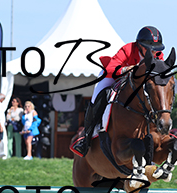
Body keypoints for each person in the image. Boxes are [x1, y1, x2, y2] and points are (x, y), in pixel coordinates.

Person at [71, 26, 165, 157]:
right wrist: (127, 69)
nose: (153, 52)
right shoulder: (128, 49)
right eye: (149, 48)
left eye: (156, 49)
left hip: (137, 83)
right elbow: (111, 68)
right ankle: (86, 138)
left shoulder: (158, 55)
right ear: (139, 45)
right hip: (114, 75)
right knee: (98, 96)